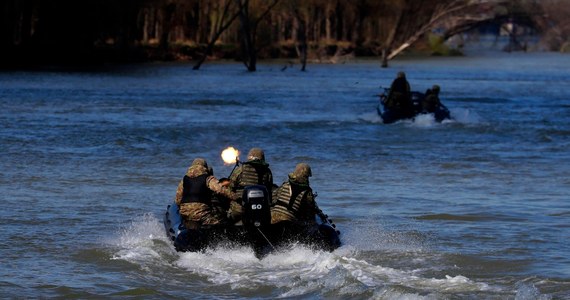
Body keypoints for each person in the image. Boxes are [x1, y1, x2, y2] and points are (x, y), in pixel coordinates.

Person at [175, 158, 237, 228]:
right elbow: (220, 189)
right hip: (201, 213)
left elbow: (178, 199)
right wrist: (236, 197)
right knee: (222, 225)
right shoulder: (207, 178)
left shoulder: (184, 179)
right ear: (205, 167)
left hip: (185, 213)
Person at [227, 147, 274, 223]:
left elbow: (230, 189)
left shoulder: (240, 170)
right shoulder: (267, 172)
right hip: (260, 212)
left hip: (239, 210)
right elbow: (269, 192)